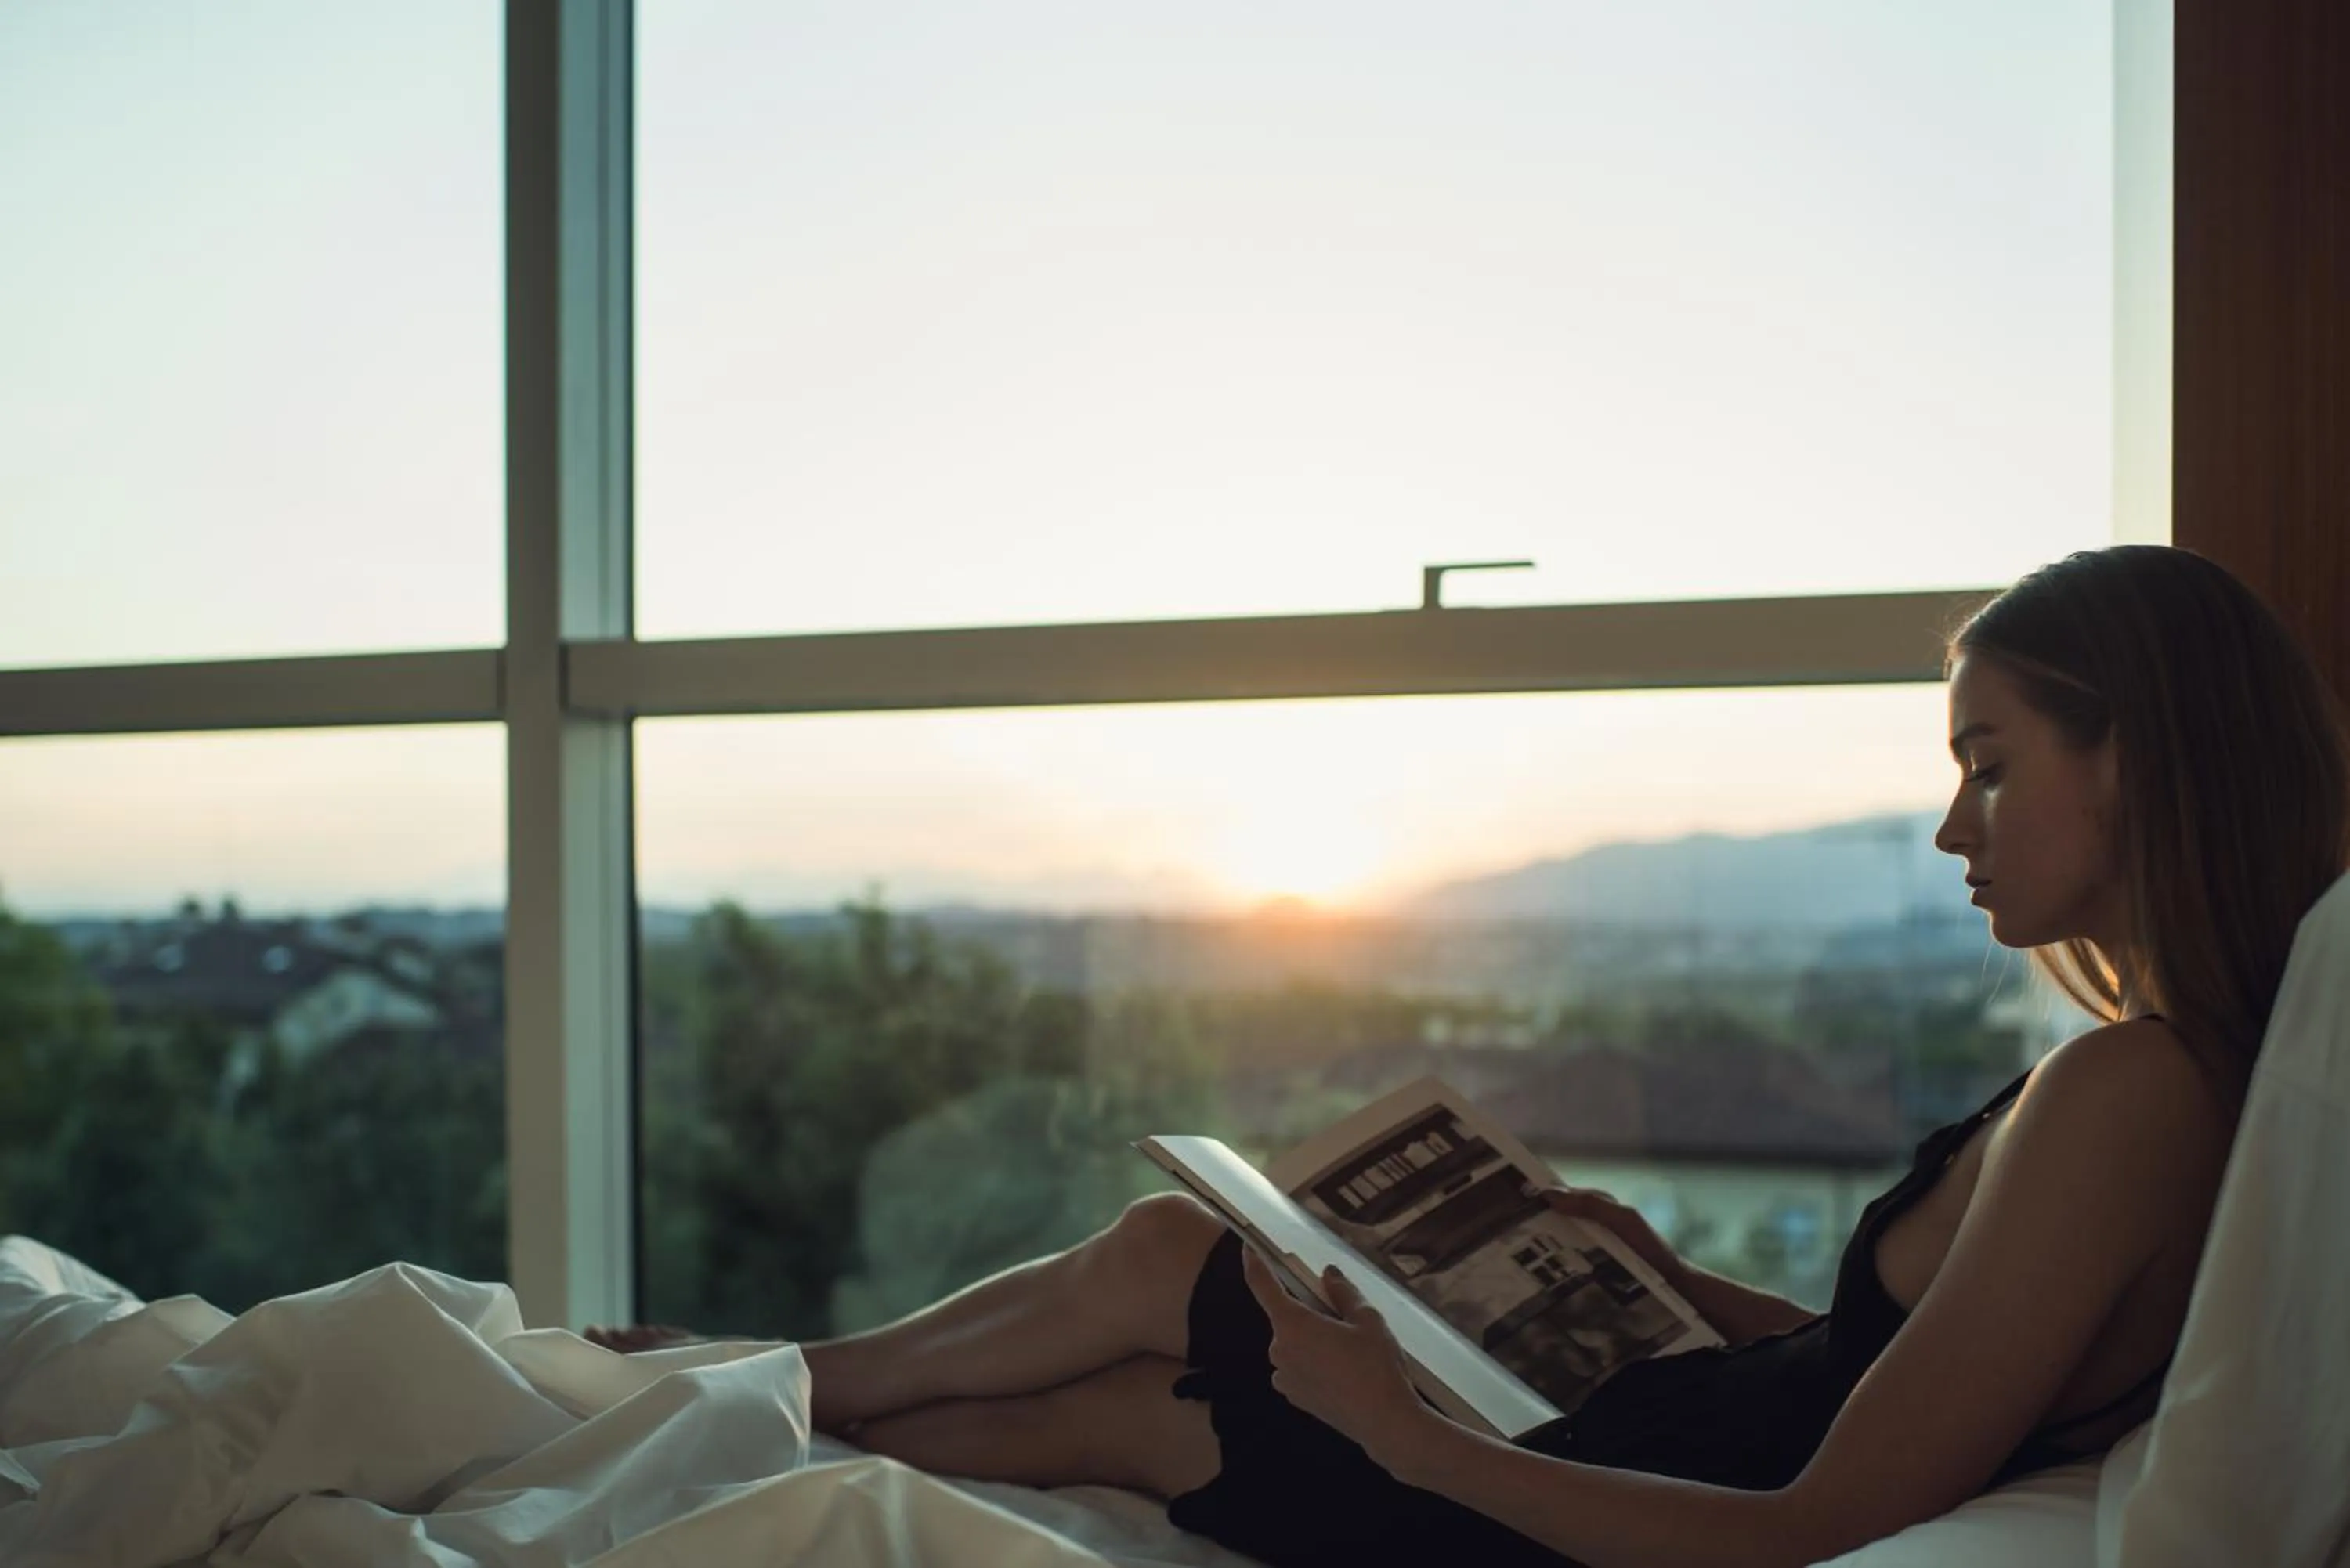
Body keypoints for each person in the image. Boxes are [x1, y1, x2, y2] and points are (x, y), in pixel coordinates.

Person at [589, 546, 2350, 1568]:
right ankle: (723, 1381)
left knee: (1120, 1375)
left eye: (1992, 763)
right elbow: (1903, 1364)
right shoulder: (2152, 1071)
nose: (1954, 825)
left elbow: (1824, 1507)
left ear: (2142, 760)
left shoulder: (2141, 1092)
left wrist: (1405, 1430)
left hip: (1618, 1495)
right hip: (1654, 1411)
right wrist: (1666, 1272)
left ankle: (703, 1386)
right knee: (1163, 1274)